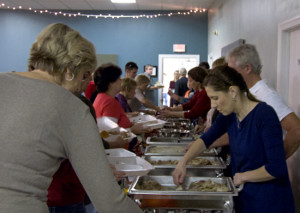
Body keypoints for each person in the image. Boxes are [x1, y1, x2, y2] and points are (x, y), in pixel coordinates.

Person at [0, 23, 142, 213]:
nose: (83, 86)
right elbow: (111, 203)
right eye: (84, 75)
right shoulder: (70, 106)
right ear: (69, 69)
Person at [173, 65, 295, 213]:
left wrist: (243, 176)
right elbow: (206, 139)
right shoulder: (229, 115)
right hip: (244, 195)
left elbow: (276, 168)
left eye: (215, 98)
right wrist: (183, 162)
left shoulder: (264, 115)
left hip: (269, 199)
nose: (213, 105)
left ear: (233, 91)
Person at [226, 44, 300, 159]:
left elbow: (296, 129)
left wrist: (274, 160)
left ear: (247, 68)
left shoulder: (267, 95)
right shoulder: (247, 92)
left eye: (232, 71)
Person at [93, 63, 148, 136]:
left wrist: (130, 125)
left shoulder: (101, 97)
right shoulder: (109, 102)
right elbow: (109, 135)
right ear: (111, 83)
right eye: (119, 79)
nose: (121, 82)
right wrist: (132, 130)